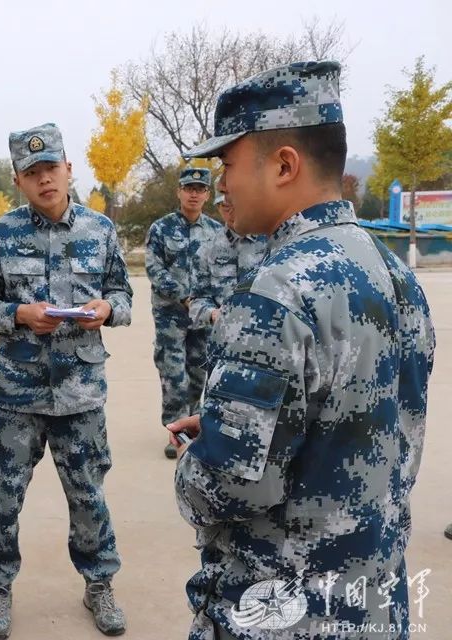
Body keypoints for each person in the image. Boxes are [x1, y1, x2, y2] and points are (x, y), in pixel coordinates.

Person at [168, 60, 435, 639]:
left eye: (228, 164)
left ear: (284, 164)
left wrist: (199, 458)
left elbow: (234, 483)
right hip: (371, 603)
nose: (220, 185)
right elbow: (390, 428)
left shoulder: (277, 291)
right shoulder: (393, 272)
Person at [0, 123, 132, 639]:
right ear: (19, 179)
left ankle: (99, 584)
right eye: (32, 172)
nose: (44, 180)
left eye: (51, 168)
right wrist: (17, 314)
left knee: (88, 496)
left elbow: (123, 295)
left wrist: (106, 309)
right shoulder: (0, 235)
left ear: (69, 169)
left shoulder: (100, 231)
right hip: (18, 395)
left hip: (81, 394)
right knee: (4, 498)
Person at [145, 167, 222, 458]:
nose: (194, 193)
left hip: (202, 318)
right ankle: (175, 431)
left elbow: (220, 271)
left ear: (207, 195)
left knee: (197, 374)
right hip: (170, 315)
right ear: (179, 192)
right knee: (174, 375)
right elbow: (154, 268)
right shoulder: (161, 229)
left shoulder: (216, 232)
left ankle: (194, 426)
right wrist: (185, 296)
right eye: (188, 188)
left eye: (200, 189)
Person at [189, 188, 268, 328]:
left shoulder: (271, 242)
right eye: (226, 206)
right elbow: (197, 299)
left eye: (237, 204)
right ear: (218, 208)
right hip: (223, 336)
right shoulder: (207, 249)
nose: (232, 211)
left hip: (266, 333)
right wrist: (212, 313)